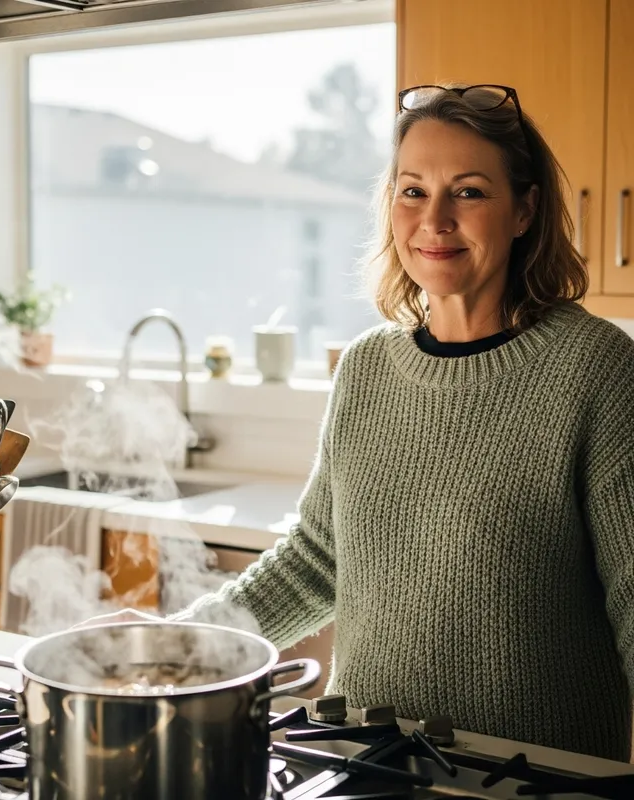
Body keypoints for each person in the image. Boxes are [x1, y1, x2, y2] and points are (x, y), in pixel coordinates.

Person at [95, 85, 634, 761]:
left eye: (467, 192)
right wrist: (174, 644)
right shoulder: (367, 367)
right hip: (364, 759)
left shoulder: (597, 369)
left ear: (524, 210)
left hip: (532, 776)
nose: (433, 219)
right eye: (412, 191)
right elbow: (318, 560)